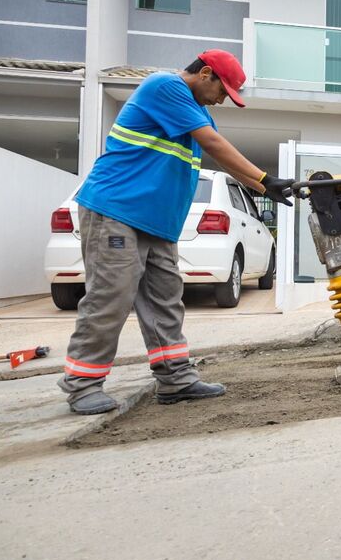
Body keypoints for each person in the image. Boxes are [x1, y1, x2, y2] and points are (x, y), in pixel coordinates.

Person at [59, 49, 295, 415]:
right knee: (112, 296)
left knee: (166, 298)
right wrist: (266, 178)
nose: (222, 101)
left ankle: (175, 378)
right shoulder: (164, 86)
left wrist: (270, 190)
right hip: (116, 210)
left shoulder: (198, 110)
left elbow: (218, 154)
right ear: (205, 74)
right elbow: (215, 145)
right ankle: (83, 384)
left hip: (157, 222)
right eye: (223, 92)